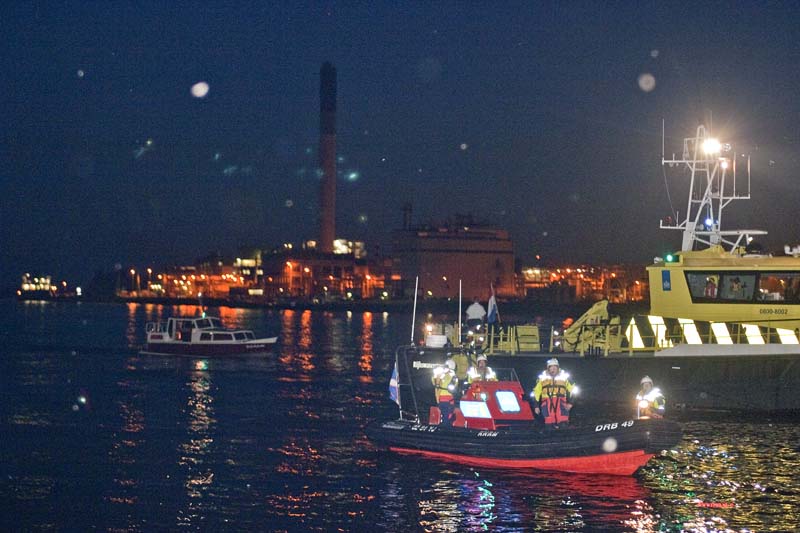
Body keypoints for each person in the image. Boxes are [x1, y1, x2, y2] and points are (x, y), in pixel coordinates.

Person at [529, 358, 576, 428]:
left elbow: (574, 390)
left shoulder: (565, 377)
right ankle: (549, 436)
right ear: (548, 368)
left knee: (563, 422)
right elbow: (536, 392)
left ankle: (564, 435)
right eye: (551, 367)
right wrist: (536, 406)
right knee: (549, 423)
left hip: (561, 402)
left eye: (555, 367)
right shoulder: (542, 378)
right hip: (547, 403)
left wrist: (571, 403)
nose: (553, 369)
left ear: (558, 367)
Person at [431, 358, 458, 426]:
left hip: (448, 400)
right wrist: (437, 373)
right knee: (443, 415)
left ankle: (446, 428)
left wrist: (442, 375)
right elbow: (433, 382)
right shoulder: (442, 375)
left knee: (447, 416)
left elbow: (452, 385)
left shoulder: (452, 376)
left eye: (446, 366)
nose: (444, 368)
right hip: (440, 399)